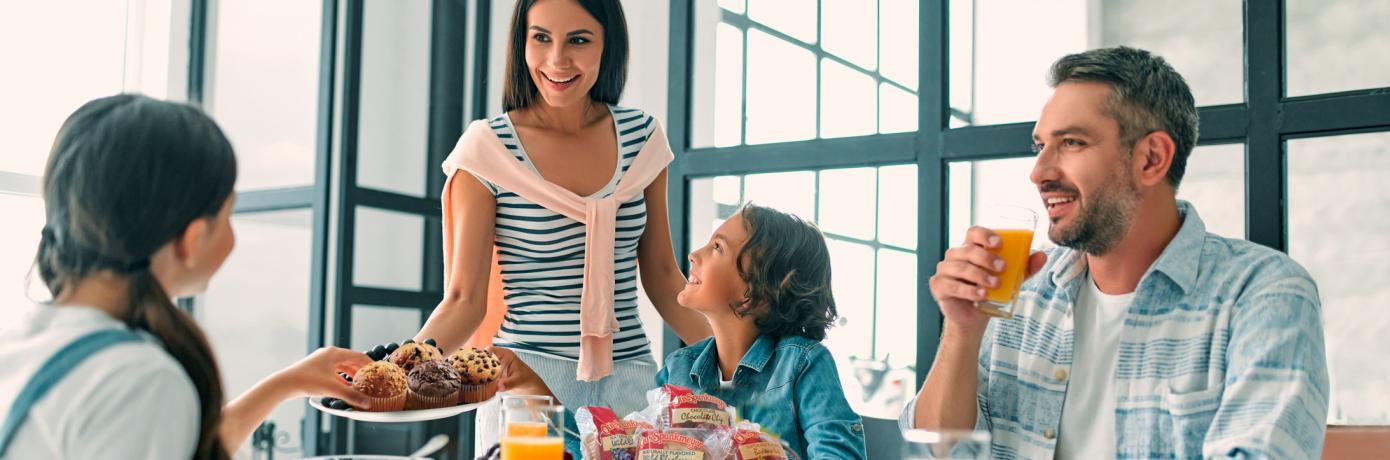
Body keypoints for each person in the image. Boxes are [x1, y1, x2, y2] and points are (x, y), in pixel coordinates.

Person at [902, 46, 1329, 459]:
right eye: (1040, 146)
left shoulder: (1262, 294)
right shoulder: (1023, 298)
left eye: (1071, 142)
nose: (1039, 173)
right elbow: (937, 452)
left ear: (1151, 158)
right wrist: (962, 329)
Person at [0, 94, 373, 459]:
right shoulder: (140, 381)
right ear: (192, 239)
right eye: (228, 213)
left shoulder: (24, 345)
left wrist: (286, 383)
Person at [410, 0, 710, 451]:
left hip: (630, 381)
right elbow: (464, 300)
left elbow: (665, 279)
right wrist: (400, 372)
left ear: (608, 44)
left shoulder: (643, 138)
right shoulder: (488, 148)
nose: (557, 60)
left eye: (579, 40)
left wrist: (750, 365)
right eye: (542, 38)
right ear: (521, 43)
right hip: (524, 381)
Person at [657, 204, 867, 459]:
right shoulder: (676, 369)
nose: (693, 254)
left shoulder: (802, 365)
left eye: (717, 247)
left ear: (756, 294)